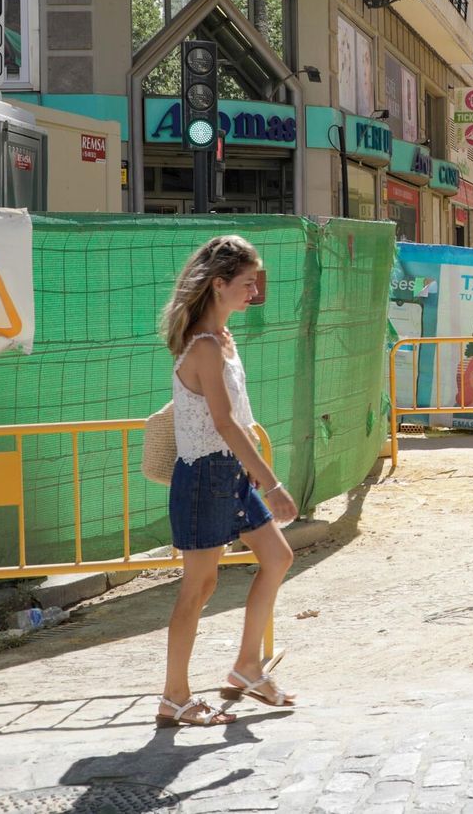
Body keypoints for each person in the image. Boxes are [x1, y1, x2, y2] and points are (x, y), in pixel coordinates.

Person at [156, 235, 296, 727]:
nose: (254, 291)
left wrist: (254, 477)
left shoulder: (222, 340)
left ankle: (247, 667)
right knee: (198, 586)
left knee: (277, 557)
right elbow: (224, 422)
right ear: (218, 284)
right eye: (245, 282)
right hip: (206, 475)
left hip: (228, 472)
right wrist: (272, 483)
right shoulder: (205, 347)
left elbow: (229, 421)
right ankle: (175, 697)